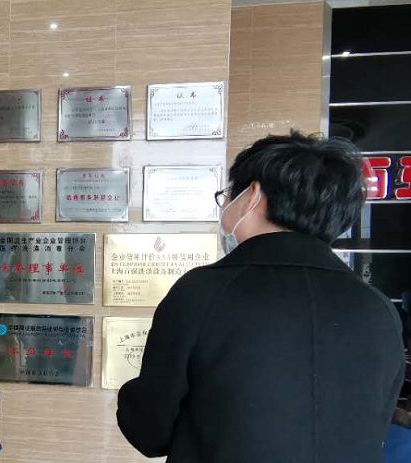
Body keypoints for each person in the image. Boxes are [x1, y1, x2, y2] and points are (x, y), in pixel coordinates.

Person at [116, 132, 405, 463]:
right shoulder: (378, 307)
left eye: (228, 194)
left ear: (252, 194)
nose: (226, 204)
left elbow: (150, 432)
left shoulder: (203, 292)